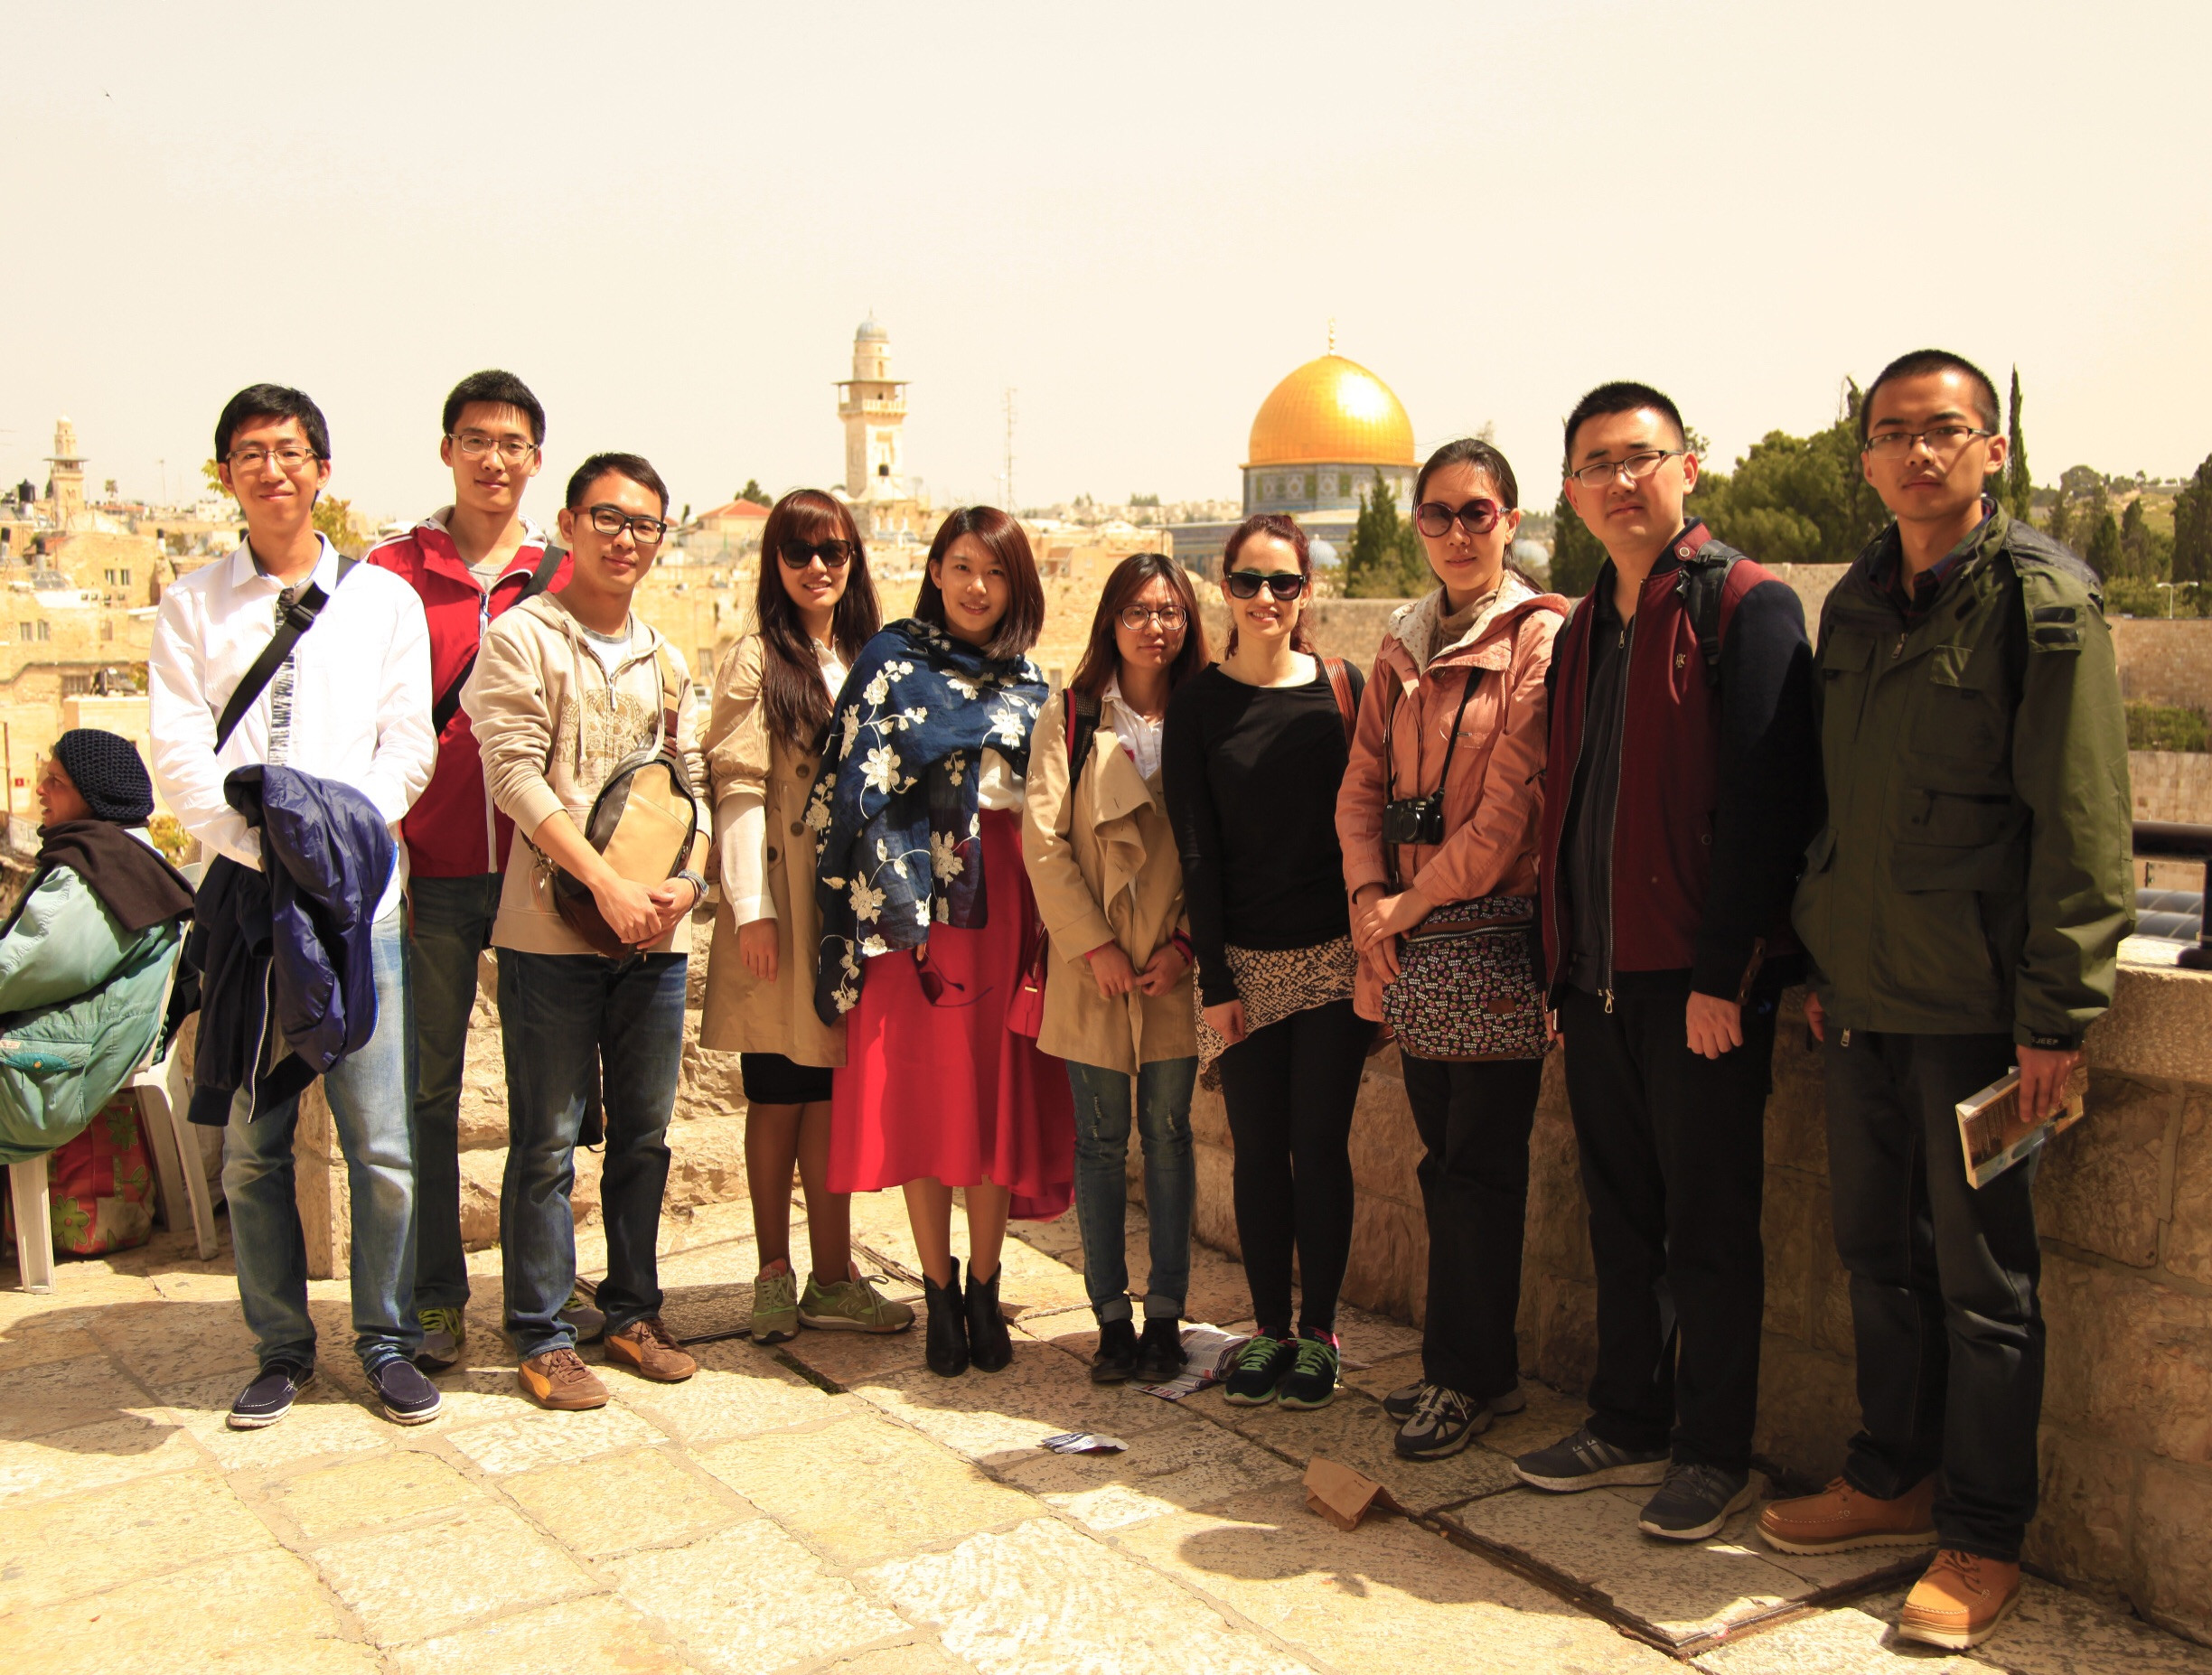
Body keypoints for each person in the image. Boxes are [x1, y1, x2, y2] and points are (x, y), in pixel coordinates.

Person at [1757, 351, 2132, 1651]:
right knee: (1877, 1256)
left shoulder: (2043, 602)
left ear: (1994, 449)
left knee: (1987, 1287)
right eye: (1893, 434)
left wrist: (2056, 1016)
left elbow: (2084, 819)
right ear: (1865, 458)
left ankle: (1982, 1534)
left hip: (1980, 1011)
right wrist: (1821, 960)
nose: (1919, 453)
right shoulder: (1857, 601)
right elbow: (1837, 804)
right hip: (1863, 999)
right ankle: (1891, 1472)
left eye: (1946, 430)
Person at [1514, 381, 1821, 1539]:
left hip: (1697, 986)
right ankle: (1628, 1418)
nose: (1620, 480)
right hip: (1595, 979)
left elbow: (1767, 805)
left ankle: (1711, 1450)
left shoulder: (1747, 605)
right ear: (1572, 491)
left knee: (1710, 1226)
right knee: (1622, 1217)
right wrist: (1557, 969)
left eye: (1640, 457)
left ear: (1687, 468)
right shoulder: (1583, 626)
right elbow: (1570, 804)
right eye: (1596, 463)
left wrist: (1721, 976)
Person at [149, 383, 440, 1429]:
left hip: (360, 909)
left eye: (288, 451)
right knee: (253, 1147)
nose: (270, 469)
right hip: (248, 906)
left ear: (321, 469)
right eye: (248, 454)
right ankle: (281, 1348)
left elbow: (408, 745)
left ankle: (387, 1341)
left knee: (383, 1148)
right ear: (226, 475)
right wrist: (267, 844)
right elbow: (179, 755)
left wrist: (332, 844)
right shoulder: (193, 605)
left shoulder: (383, 602)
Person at [1336, 439, 1567, 1459]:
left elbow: (1510, 812)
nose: (1459, 532)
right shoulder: (1401, 644)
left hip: (1491, 938)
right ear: (1418, 525)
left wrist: (1406, 904)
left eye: (1478, 513)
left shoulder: (1542, 640)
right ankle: (1483, 1369)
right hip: (1411, 937)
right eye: (1438, 514)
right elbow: (1362, 787)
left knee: (1478, 1168)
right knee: (1446, 1163)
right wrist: (1367, 899)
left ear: (1510, 521)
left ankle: (1460, 1376)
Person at [464, 451, 707, 1411]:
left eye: (644, 524)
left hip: (652, 937)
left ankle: (633, 1311)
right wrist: (602, 884)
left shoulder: (668, 660)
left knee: (644, 1137)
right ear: (567, 526)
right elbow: (513, 774)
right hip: (551, 932)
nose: (625, 539)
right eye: (607, 518)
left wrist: (685, 886)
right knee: (547, 1143)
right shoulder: (523, 639)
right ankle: (542, 1332)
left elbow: (686, 788)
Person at [811, 506, 1073, 1379]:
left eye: (995, 572)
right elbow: (849, 789)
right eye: (961, 567)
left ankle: (986, 1288)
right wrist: (897, 908)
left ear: (1017, 585)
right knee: (928, 1102)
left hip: (1004, 908)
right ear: (933, 571)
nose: (976, 587)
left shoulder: (1030, 680)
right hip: (911, 915)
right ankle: (937, 1291)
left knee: (992, 1098)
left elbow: (1046, 806)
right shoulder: (890, 664)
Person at [364, 369, 583, 1373]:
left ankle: (543, 1298)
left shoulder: (566, 570)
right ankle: (433, 1296)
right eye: (477, 440)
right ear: (447, 449)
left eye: (513, 444)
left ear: (536, 459)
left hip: (540, 871)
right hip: (436, 867)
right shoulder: (391, 573)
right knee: (426, 1092)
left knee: (550, 1099)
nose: (495, 460)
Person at [1163, 512, 1369, 1412]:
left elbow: (1367, 822)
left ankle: (1318, 1333)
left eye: (1283, 582)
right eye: (1248, 581)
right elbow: (1196, 850)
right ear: (1225, 588)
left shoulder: (1342, 690)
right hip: (1243, 964)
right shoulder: (1200, 706)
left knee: (1318, 1148)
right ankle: (1269, 1329)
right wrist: (1215, 981)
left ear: (1306, 590)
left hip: (1333, 960)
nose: (1265, 599)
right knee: (1256, 1154)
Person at [699, 489, 912, 1341]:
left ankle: (831, 1276)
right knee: (777, 1091)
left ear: (854, 559)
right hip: (784, 902)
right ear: (774, 564)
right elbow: (739, 786)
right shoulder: (755, 660)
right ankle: (773, 1275)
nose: (817, 567)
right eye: (798, 552)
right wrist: (751, 909)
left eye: (833, 551)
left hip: (850, 910)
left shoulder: (868, 656)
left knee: (828, 1089)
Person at [1022, 552, 1210, 1385]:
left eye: (1169, 611)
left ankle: (1164, 1315)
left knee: (1168, 1136)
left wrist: (1187, 947)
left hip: (1171, 966)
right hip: (1091, 966)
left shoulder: (1206, 715)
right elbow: (1042, 843)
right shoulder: (1070, 718)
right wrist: (1093, 945)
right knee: (1099, 1142)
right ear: (1111, 620)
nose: (1154, 627)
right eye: (1138, 611)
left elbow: (1223, 848)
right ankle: (1108, 1319)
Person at [0, 733, 195, 1166]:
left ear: (93, 797)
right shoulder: (124, 857)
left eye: (56, 781)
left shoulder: (95, 874)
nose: (40, 789)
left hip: (41, 1082)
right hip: (55, 1068)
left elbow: (13, 970)